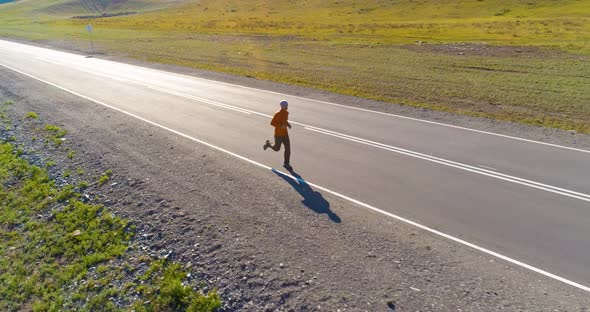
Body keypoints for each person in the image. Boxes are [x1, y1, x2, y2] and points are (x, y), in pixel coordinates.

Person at [264, 100, 292, 170]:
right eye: (286, 105)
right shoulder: (278, 114)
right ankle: (269, 144)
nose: (287, 106)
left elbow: (284, 120)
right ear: (282, 106)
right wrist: (280, 126)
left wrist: (288, 124)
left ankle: (286, 163)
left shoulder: (286, 113)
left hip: (285, 134)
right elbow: (272, 123)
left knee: (288, 149)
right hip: (278, 135)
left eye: (287, 105)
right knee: (277, 149)